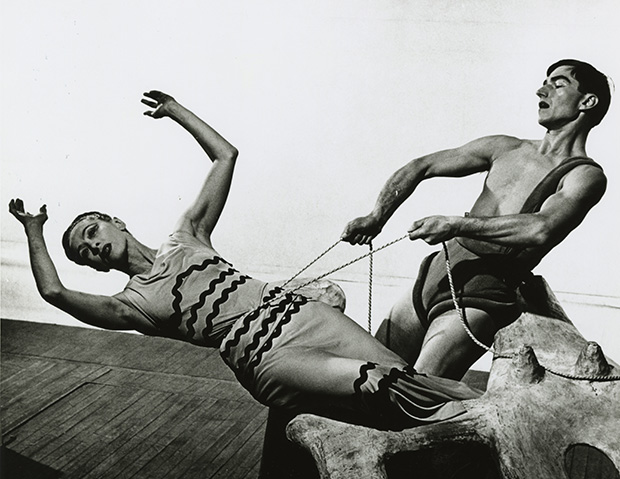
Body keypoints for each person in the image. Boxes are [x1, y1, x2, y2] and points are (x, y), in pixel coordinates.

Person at [9, 90, 480, 429]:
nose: (92, 247)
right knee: (378, 383)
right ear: (95, 267)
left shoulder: (186, 236)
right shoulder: (131, 303)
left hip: (300, 314)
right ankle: (481, 421)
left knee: (407, 377)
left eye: (91, 232)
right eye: (84, 253)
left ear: (116, 221)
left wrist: (175, 111)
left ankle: (489, 416)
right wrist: (35, 232)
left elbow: (225, 156)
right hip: (263, 354)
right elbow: (54, 292)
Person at [342, 59, 611, 380]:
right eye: (544, 82)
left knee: (418, 390)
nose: (542, 90)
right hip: (437, 272)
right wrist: (376, 216)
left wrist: (457, 224)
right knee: (371, 378)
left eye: (558, 83)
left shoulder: (584, 175)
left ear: (587, 101)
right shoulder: (503, 147)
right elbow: (421, 166)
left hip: (484, 291)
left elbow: (542, 228)